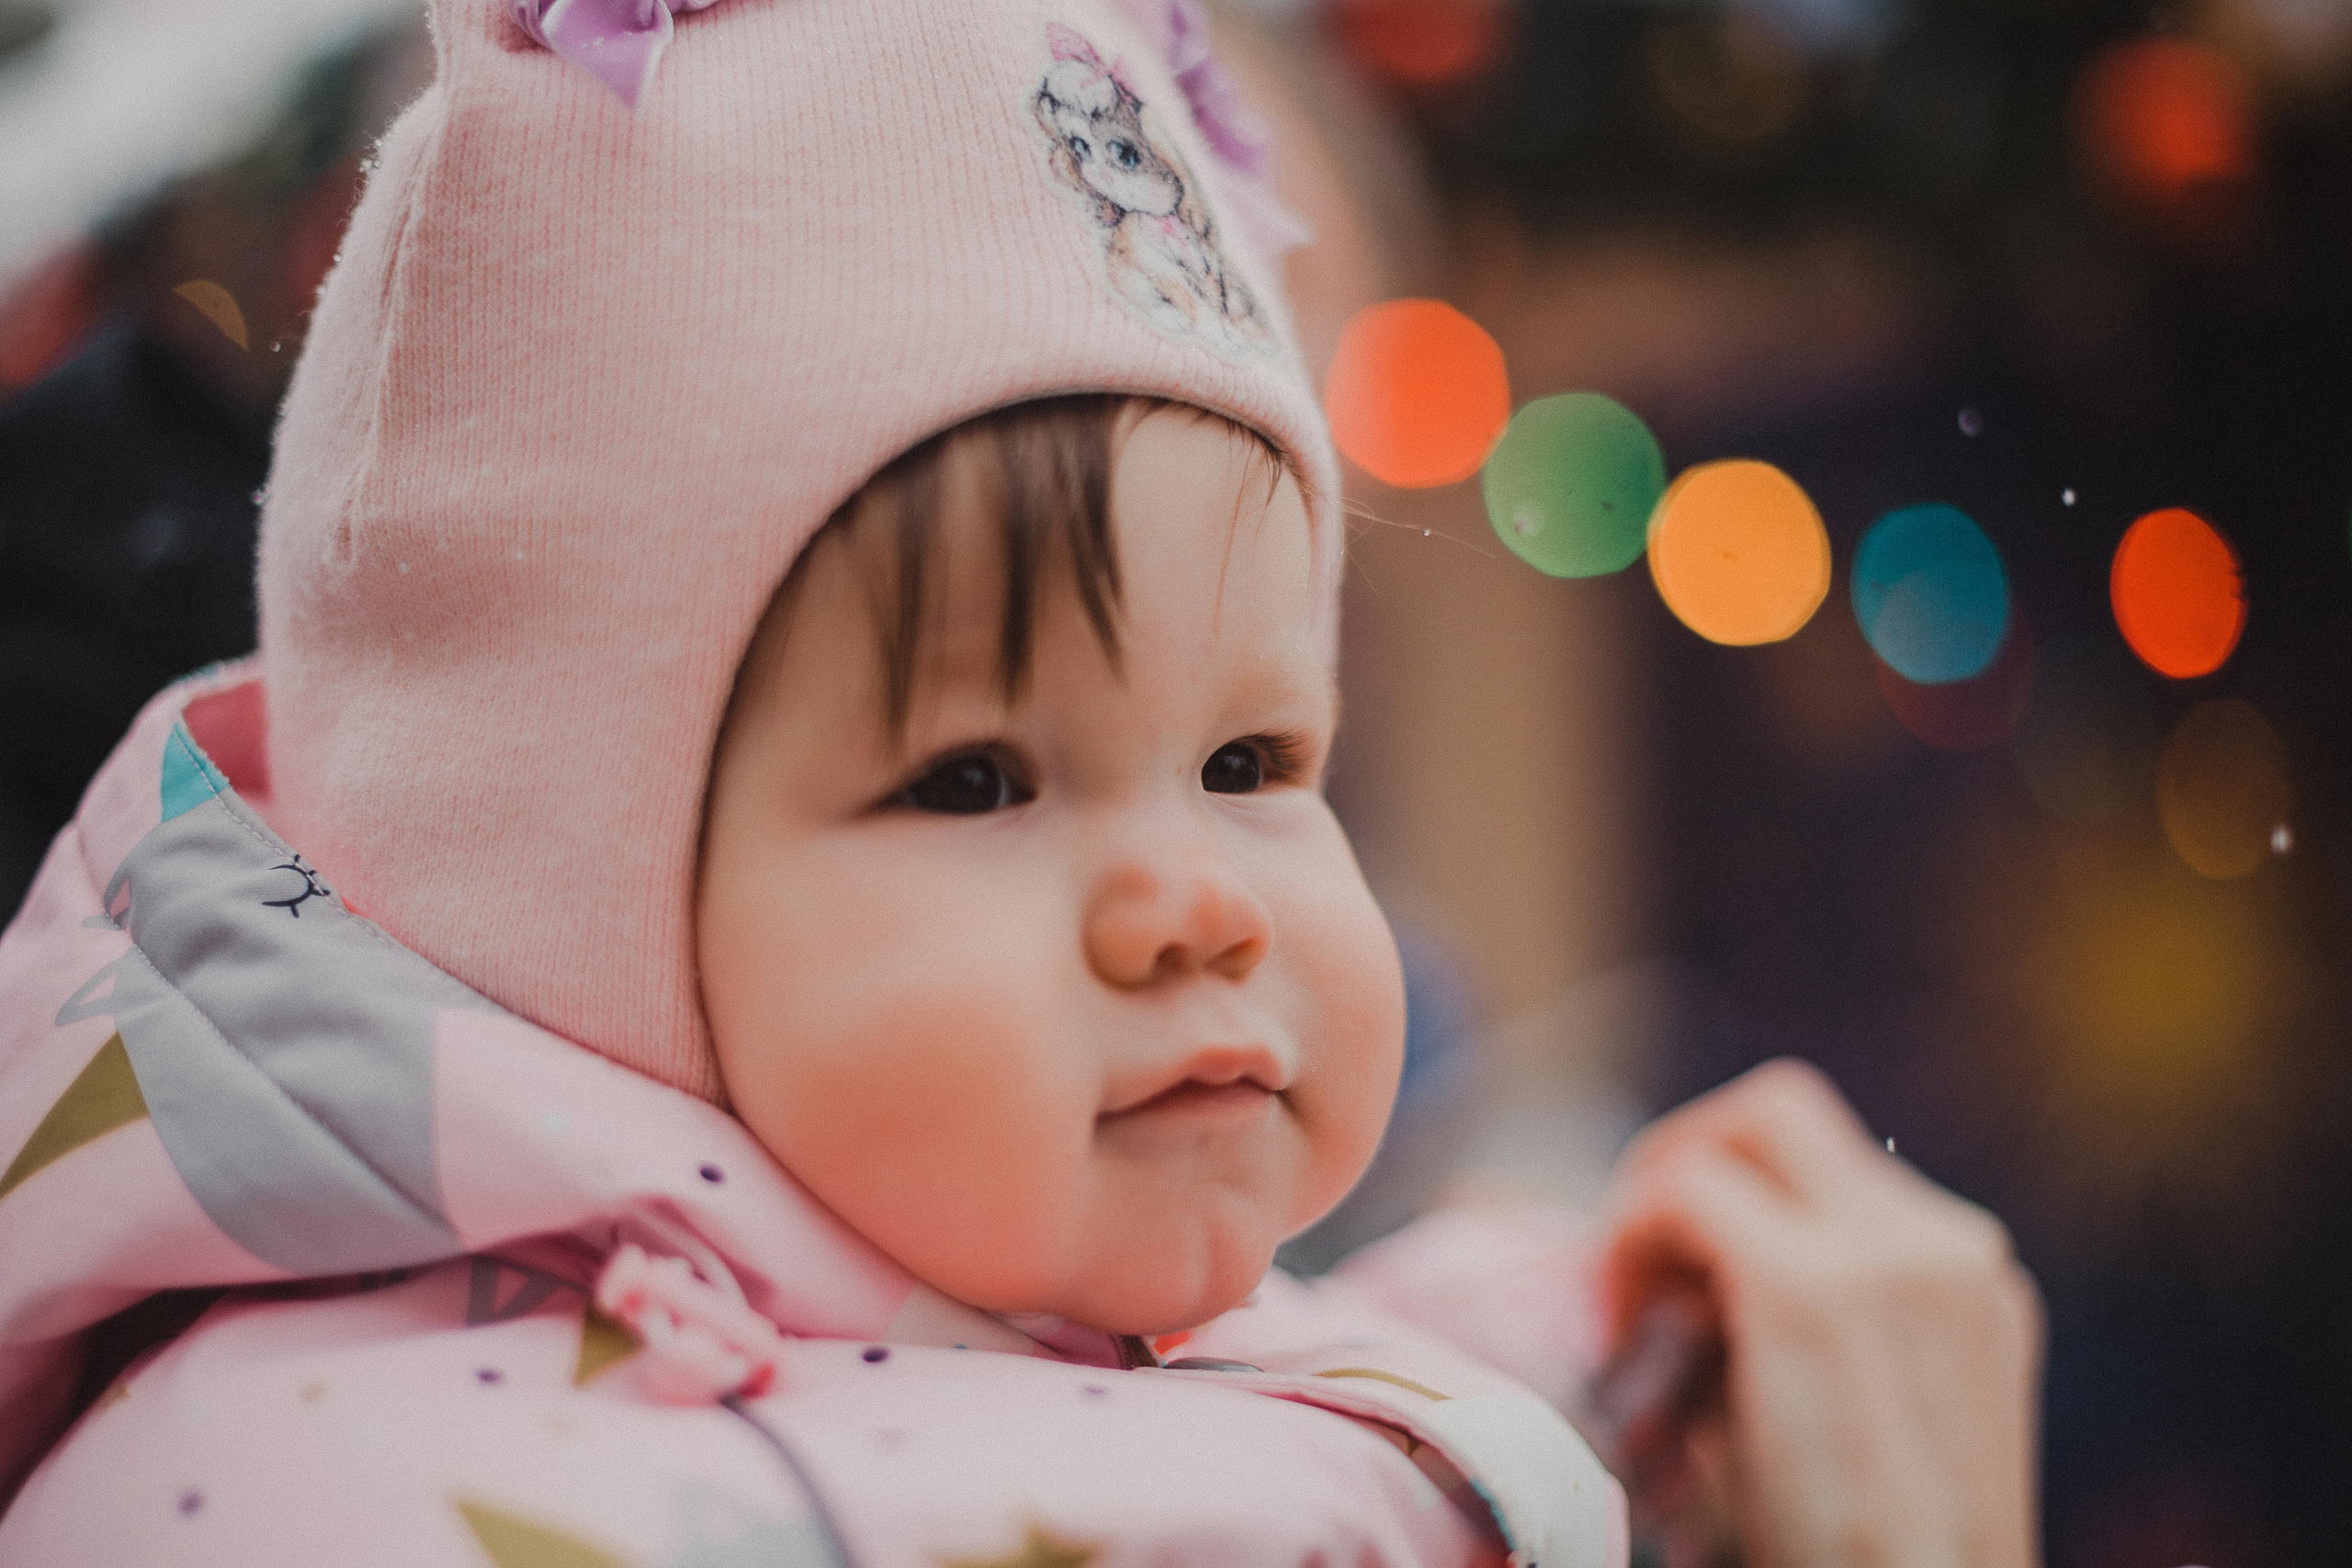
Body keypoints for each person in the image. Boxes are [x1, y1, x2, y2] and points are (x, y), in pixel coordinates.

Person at [0, 2, 2040, 1564]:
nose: (1202, 895)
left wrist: (1610, 1341)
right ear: (563, 914)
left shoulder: (1046, 1318)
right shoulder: (353, 1494)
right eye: (975, 775)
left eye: (1253, 755)